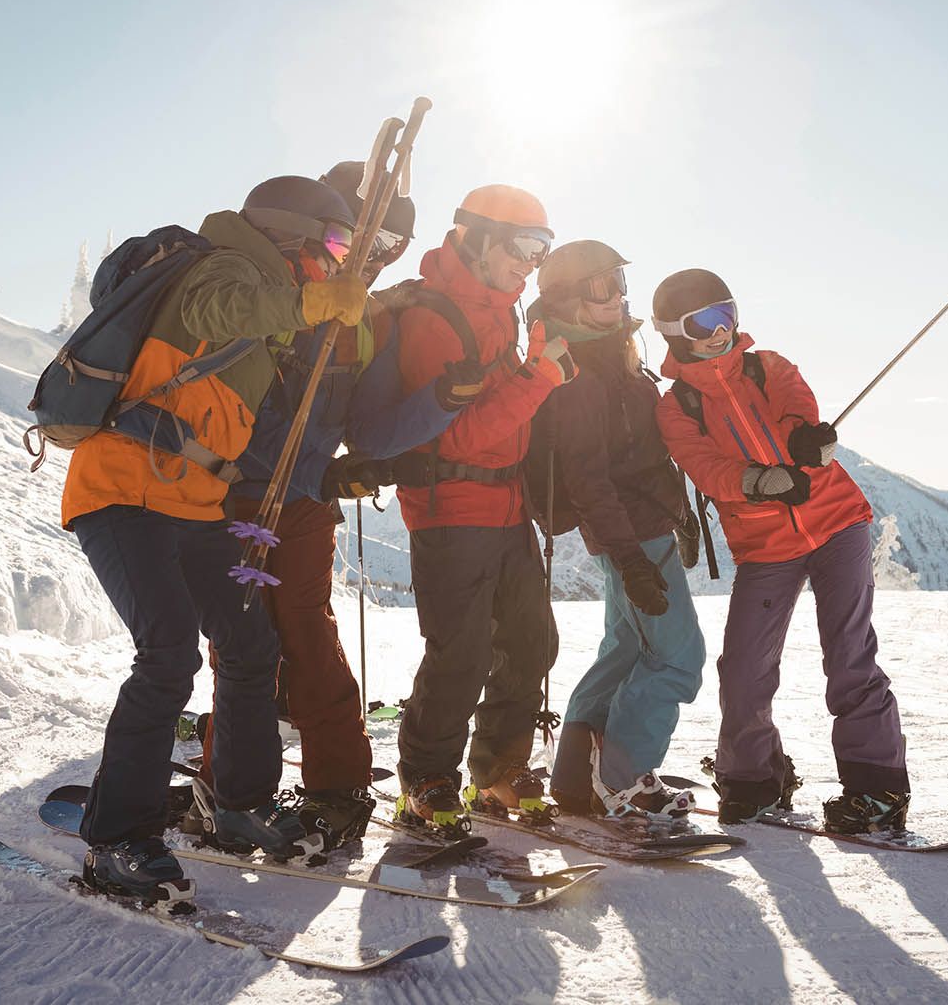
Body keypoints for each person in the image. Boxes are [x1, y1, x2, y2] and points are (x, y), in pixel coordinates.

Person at [61, 175, 370, 900]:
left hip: (195, 503)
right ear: (289, 234)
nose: (337, 261)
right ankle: (116, 841)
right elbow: (218, 307)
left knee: (250, 644)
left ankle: (239, 804)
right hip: (122, 490)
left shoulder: (275, 302)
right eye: (333, 243)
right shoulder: (226, 264)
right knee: (167, 654)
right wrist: (305, 302)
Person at [189, 162, 463, 847]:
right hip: (235, 494)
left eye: (391, 246)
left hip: (302, 499)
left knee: (304, 632)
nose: (375, 256)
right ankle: (232, 779)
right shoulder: (278, 288)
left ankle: (335, 784)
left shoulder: (370, 320)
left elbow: (368, 428)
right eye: (363, 241)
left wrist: (441, 402)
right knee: (243, 641)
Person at [650, 269, 911, 832]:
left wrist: (805, 441)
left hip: (838, 522)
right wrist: (757, 482)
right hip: (765, 546)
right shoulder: (677, 407)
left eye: (727, 314)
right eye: (704, 322)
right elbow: (706, 468)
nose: (721, 331)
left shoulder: (769, 366)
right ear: (674, 332)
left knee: (849, 654)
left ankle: (877, 786)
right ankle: (753, 779)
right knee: (744, 668)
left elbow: (797, 407)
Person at [388, 184, 575, 830]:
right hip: (450, 505)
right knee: (461, 653)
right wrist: (538, 376)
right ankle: (426, 781)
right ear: (477, 238)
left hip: (505, 504)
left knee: (530, 642)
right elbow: (455, 436)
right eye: (525, 246)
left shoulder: (505, 309)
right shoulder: (432, 318)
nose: (532, 261)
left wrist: (534, 362)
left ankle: (497, 774)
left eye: (542, 250)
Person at [525, 241, 707, 819]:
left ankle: (579, 777)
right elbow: (590, 480)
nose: (618, 294)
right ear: (567, 298)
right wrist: (631, 559)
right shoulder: (578, 376)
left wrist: (678, 516)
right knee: (677, 658)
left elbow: (642, 459)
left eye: (620, 281)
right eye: (602, 285)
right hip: (629, 534)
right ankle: (625, 780)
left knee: (626, 649)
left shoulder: (612, 357)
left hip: (639, 528)